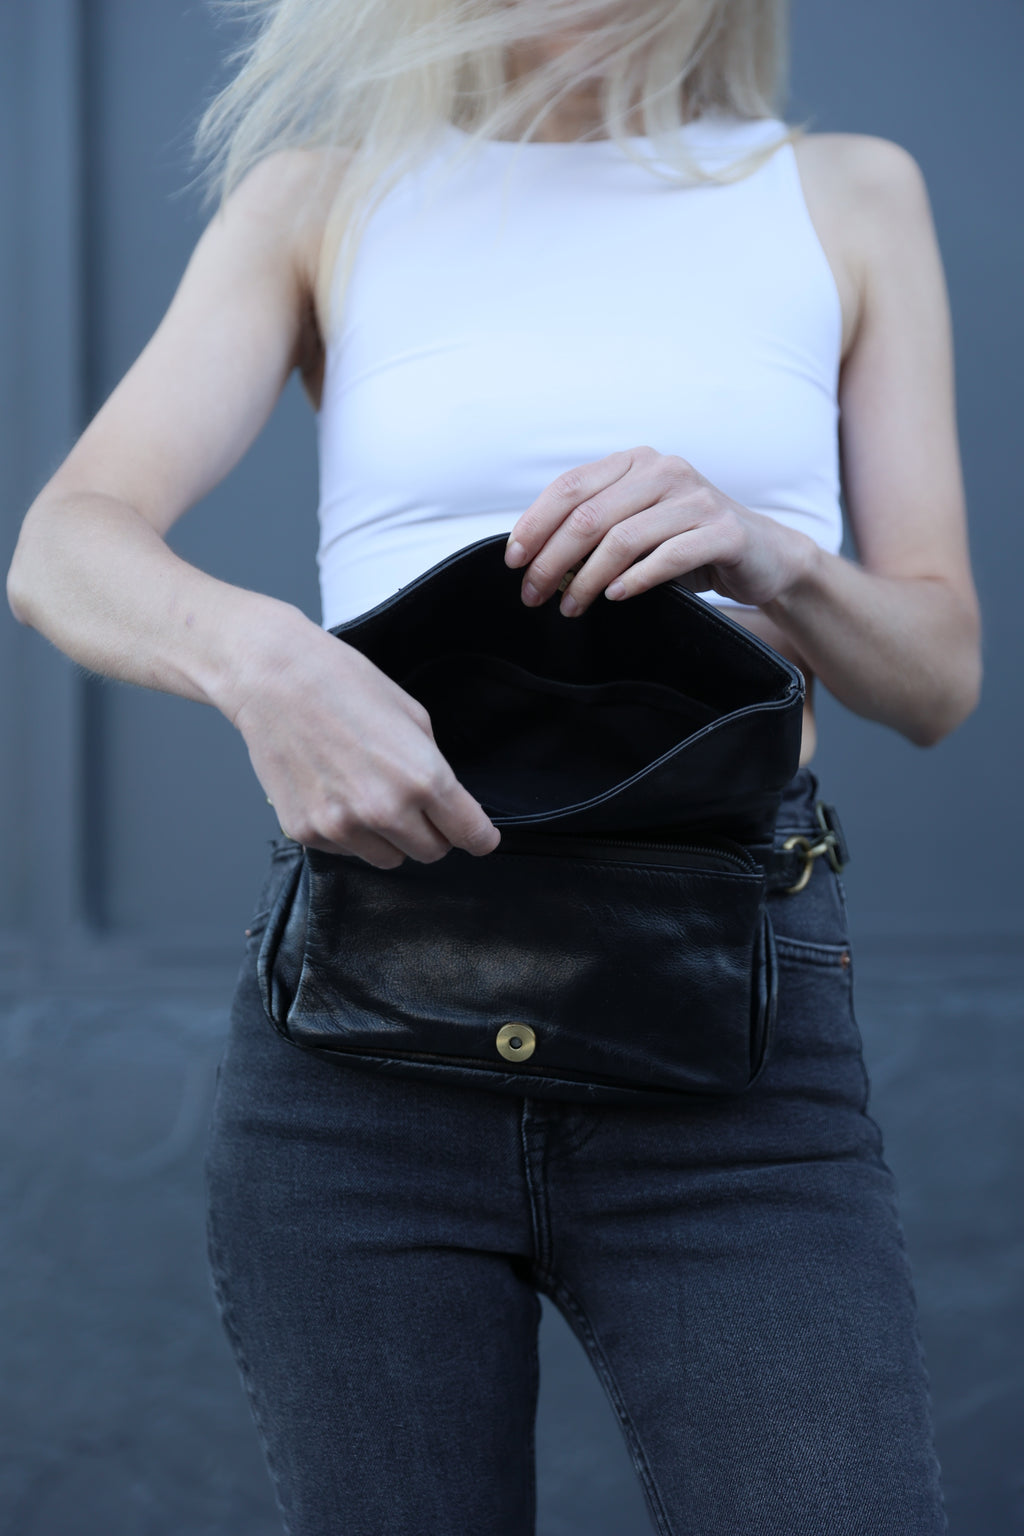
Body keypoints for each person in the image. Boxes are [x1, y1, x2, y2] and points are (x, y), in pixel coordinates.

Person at [7, 1, 980, 1531]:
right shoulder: (323, 193)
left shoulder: (845, 190)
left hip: (727, 1019)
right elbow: (65, 543)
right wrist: (264, 660)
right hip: (367, 1036)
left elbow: (937, 679)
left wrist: (772, 555)